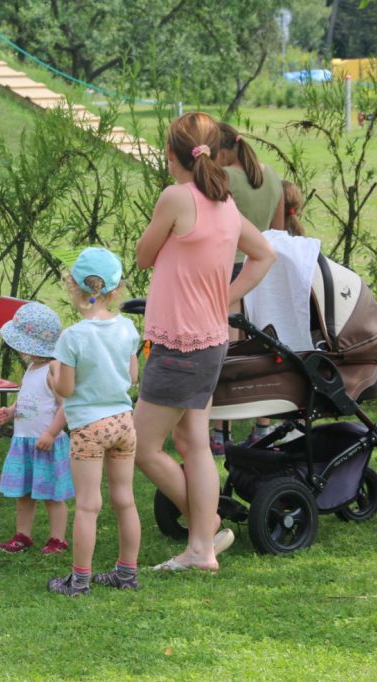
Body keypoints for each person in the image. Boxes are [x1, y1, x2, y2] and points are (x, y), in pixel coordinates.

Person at [134, 112, 276, 572]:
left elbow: (142, 257)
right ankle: (200, 545)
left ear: (171, 154)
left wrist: (220, 296)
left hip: (179, 342)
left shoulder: (175, 198)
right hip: (210, 339)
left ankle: (205, 527)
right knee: (193, 441)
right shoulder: (225, 203)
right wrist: (225, 298)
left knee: (142, 446)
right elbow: (264, 254)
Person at [47, 247, 141, 596]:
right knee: (125, 499)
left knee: (88, 505)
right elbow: (132, 377)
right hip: (123, 423)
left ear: (73, 286)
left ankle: (79, 581)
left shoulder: (72, 337)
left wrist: (53, 376)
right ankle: (126, 574)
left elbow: (66, 389)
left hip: (89, 428)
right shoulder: (128, 328)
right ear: (115, 290)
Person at [215, 122, 285, 451]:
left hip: (231, 269)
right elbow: (279, 231)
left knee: (227, 351)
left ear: (222, 151)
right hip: (264, 272)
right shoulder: (272, 176)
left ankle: (220, 431)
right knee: (262, 349)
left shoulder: (224, 178)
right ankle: (263, 427)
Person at [0, 302, 73, 554]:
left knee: (52, 495)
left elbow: (66, 406)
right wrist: (12, 411)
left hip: (46, 443)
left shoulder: (53, 369)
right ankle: (22, 536)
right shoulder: (31, 368)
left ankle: (57, 539)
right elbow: (29, 397)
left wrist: (51, 433)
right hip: (24, 441)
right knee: (24, 493)